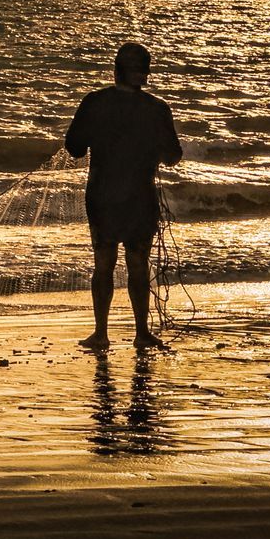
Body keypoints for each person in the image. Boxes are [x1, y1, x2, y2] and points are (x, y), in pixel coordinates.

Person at [65, 42, 182, 351]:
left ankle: (101, 333)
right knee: (138, 263)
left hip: (103, 197)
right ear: (145, 74)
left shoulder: (94, 102)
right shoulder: (157, 109)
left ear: (115, 70)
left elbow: (74, 148)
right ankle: (141, 333)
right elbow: (173, 156)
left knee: (103, 262)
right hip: (140, 198)